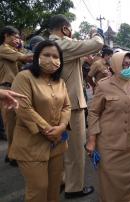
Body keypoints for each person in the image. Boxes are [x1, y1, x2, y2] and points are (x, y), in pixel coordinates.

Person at [9, 40, 71, 202]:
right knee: (38, 189)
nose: (51, 59)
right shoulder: (24, 77)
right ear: (37, 57)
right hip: (31, 144)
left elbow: (66, 106)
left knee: (54, 187)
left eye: (56, 56)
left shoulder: (60, 82)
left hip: (57, 143)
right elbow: (23, 107)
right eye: (46, 55)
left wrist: (62, 126)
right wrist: (48, 130)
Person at [49, 14, 103, 198]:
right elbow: (97, 43)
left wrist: (84, 58)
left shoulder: (54, 46)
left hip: (58, 103)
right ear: (65, 29)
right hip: (70, 105)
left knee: (60, 148)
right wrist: (95, 33)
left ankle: (62, 181)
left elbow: (71, 64)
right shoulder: (61, 44)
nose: (71, 33)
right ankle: (74, 188)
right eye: (70, 29)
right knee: (74, 150)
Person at [85, 51, 130, 202]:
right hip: (109, 145)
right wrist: (92, 140)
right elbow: (94, 113)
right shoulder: (103, 85)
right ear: (114, 66)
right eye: (124, 65)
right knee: (109, 184)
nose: (128, 67)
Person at [0, 25, 33, 165]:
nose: (18, 40)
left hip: (13, 89)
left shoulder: (13, 50)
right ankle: (13, 156)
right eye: (16, 36)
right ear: (6, 36)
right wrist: (46, 52)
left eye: (19, 37)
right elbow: (25, 58)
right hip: (6, 90)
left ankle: (11, 153)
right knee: (11, 124)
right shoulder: (3, 48)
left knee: (16, 123)